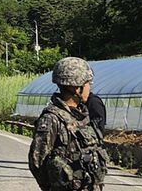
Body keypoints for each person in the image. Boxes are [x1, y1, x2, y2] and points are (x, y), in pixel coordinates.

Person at [28, 57, 108, 191]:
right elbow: (37, 161)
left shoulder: (83, 114)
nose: (90, 87)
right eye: (88, 83)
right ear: (77, 87)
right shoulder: (52, 118)